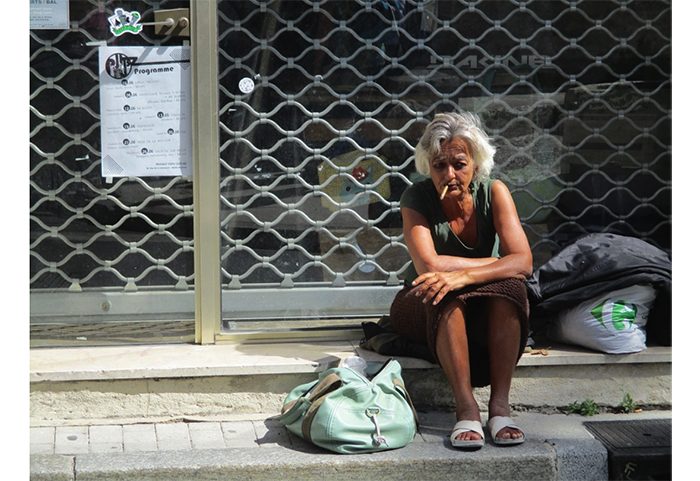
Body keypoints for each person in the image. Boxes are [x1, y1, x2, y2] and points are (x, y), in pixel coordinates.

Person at [389, 111, 532, 449]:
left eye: (459, 164)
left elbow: (524, 261)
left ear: (476, 164)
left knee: (512, 289)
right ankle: (466, 408)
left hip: (480, 296)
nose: (449, 174)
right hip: (421, 297)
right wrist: (496, 263)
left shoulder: (494, 192)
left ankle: (500, 408)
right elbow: (429, 264)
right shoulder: (416, 198)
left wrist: (465, 275)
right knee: (444, 291)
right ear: (428, 167)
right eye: (439, 165)